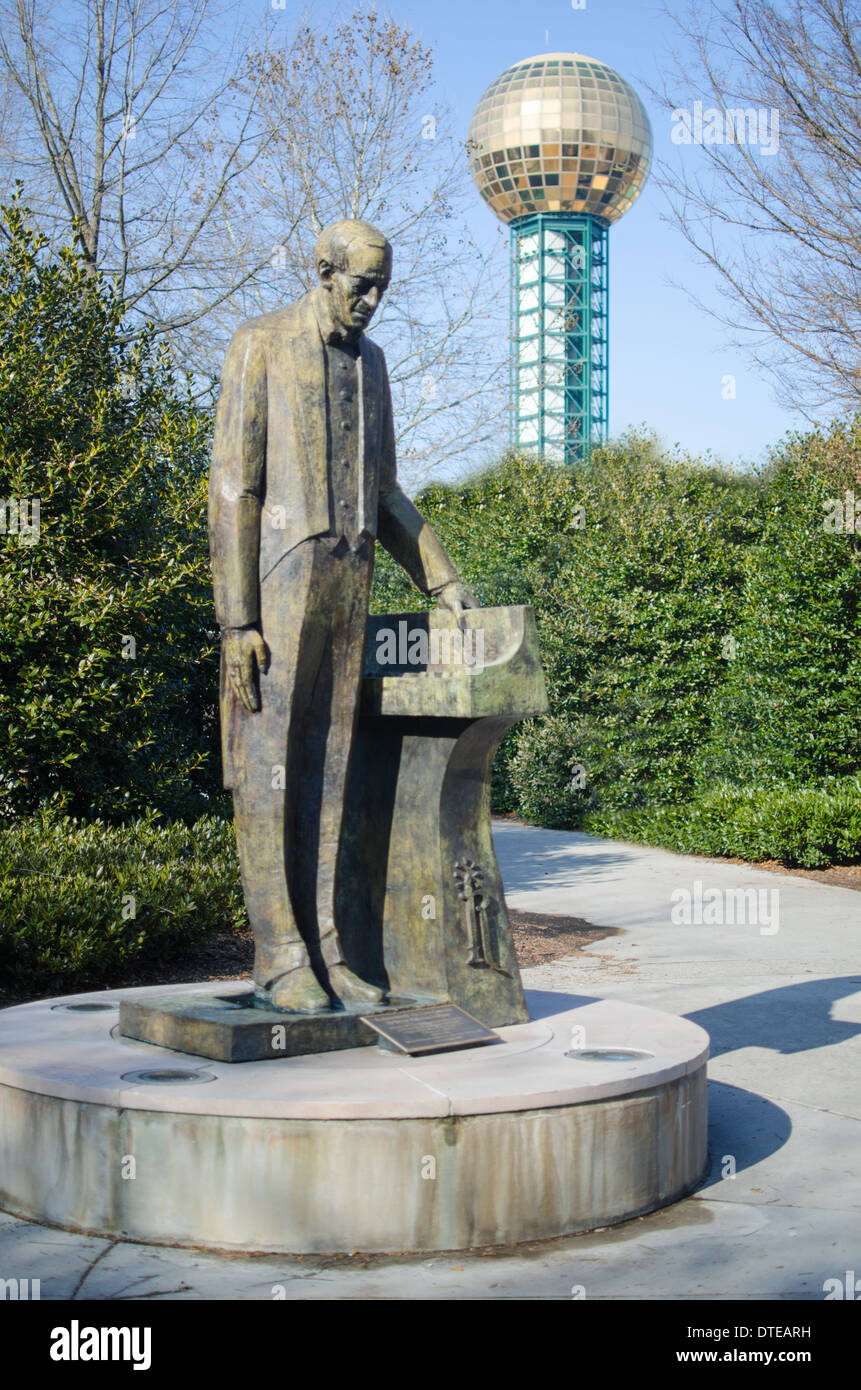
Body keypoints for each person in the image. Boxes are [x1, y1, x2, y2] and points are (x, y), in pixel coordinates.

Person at [208, 219, 478, 1013]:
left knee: (328, 769)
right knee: (267, 770)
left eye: (382, 288)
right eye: (360, 284)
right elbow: (234, 489)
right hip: (279, 585)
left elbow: (387, 490)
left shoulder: (374, 366)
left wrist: (442, 578)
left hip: (348, 582)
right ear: (322, 272)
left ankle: (326, 950)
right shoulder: (259, 342)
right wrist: (236, 621)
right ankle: (279, 954)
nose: (371, 300)